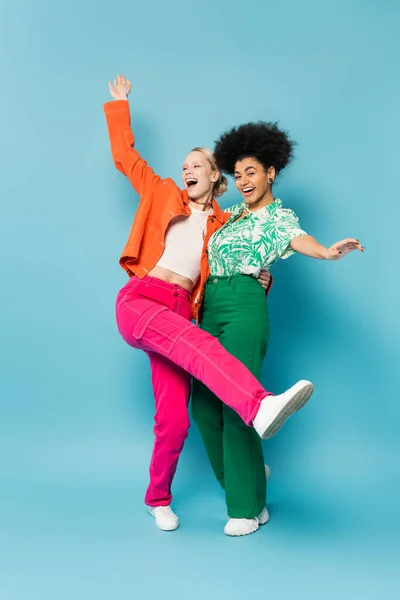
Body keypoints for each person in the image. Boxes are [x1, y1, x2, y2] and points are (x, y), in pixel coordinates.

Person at [104, 75, 314, 532]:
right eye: (184, 165)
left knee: (176, 419)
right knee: (202, 350)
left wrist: (264, 275)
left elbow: (246, 250)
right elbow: (125, 158)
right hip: (143, 300)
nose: (187, 170)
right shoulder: (161, 193)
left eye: (197, 164)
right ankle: (258, 406)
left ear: (215, 174)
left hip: (181, 312)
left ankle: (157, 496)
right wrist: (119, 105)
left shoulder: (225, 222)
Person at [191, 121, 364, 536]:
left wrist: (324, 252)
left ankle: (246, 509)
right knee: (201, 406)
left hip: (245, 306)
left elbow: (298, 238)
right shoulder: (227, 214)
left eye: (252, 172)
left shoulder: (279, 216)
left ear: (271, 172)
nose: (244, 180)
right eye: (238, 174)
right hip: (208, 307)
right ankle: (251, 480)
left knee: (237, 403)